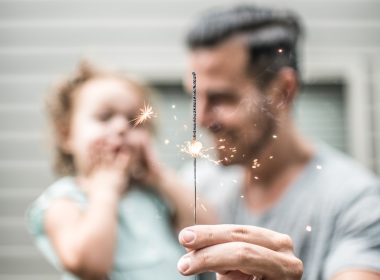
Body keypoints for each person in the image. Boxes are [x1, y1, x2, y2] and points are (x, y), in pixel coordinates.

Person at [176, 4, 380, 280]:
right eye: (195, 96)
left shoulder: (357, 202)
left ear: (283, 91)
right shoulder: (196, 184)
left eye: (222, 98)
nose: (200, 119)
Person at [26, 61, 215, 280]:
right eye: (105, 117)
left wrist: (160, 176)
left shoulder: (154, 195)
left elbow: (211, 233)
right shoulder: (64, 201)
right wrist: (105, 190)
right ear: (66, 134)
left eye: (134, 121)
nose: (121, 127)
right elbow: (89, 265)